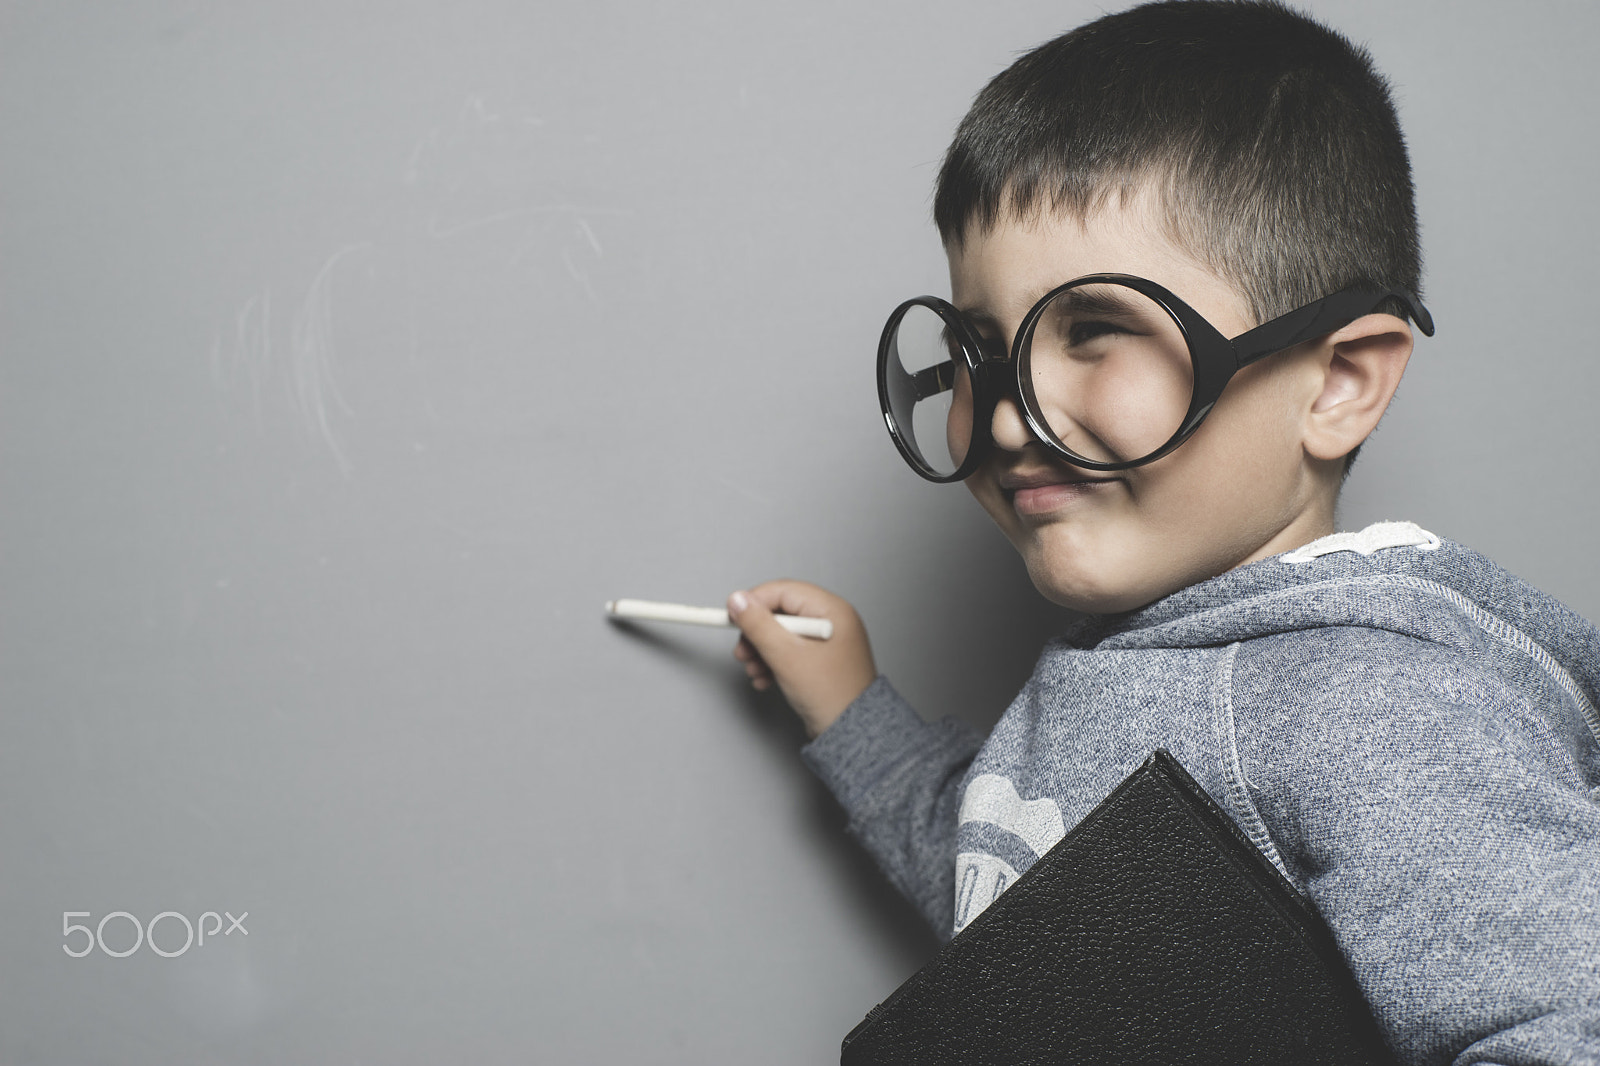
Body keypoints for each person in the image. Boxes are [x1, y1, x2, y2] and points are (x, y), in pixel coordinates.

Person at [722, 2, 1600, 1063]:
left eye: (1094, 332)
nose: (1005, 418)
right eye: (980, 350)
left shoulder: (1376, 712)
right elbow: (1005, 908)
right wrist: (853, 710)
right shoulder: (1134, 658)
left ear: (1336, 380)